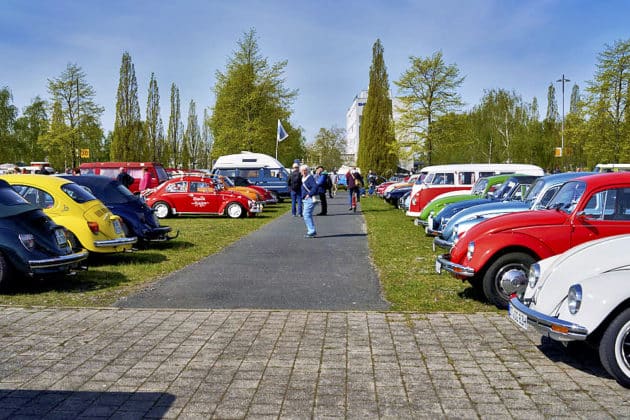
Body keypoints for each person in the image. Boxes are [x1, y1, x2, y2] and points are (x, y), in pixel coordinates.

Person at [300, 164, 319, 238]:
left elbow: (315, 187)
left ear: (308, 171)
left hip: (309, 199)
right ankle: (311, 231)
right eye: (302, 170)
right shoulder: (303, 178)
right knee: (307, 215)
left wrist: (309, 194)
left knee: (306, 214)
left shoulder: (310, 178)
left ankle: (312, 231)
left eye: (305, 170)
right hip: (305, 199)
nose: (304, 172)